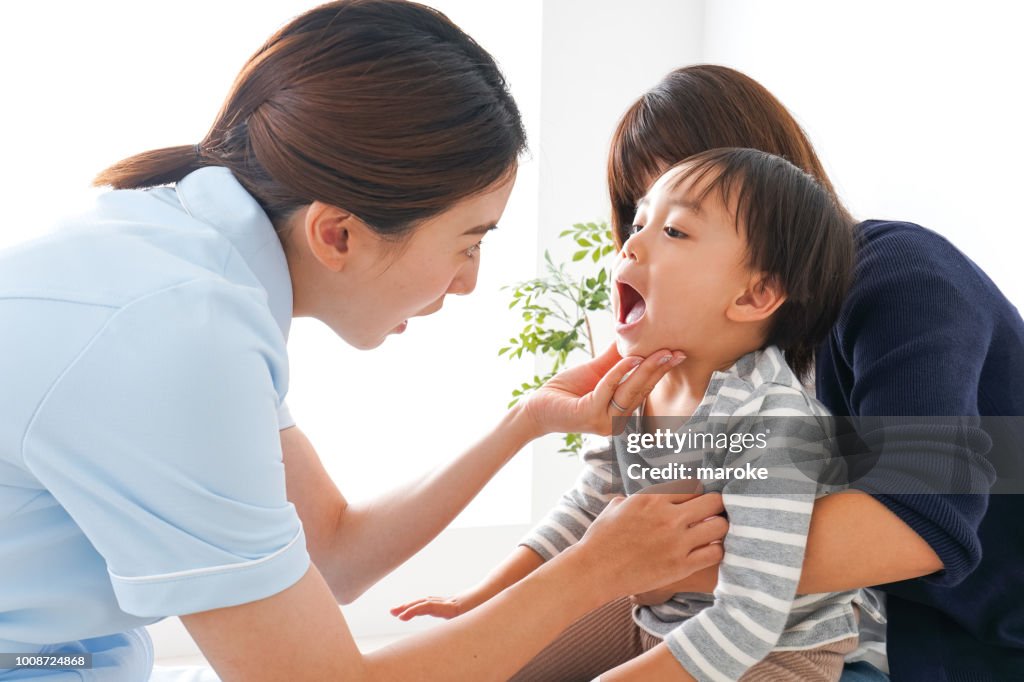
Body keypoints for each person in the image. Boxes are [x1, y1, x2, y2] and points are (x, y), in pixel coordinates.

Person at [0, 5, 731, 680]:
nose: (469, 281)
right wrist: (591, 572)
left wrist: (528, 423)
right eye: (468, 242)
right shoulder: (178, 336)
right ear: (337, 233)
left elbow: (333, 553)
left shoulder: (185, 264)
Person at [598, 65, 1023, 681]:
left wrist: (640, 567)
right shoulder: (728, 350)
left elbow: (919, 520)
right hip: (833, 625)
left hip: (962, 635)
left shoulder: (900, 276)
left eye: (681, 222)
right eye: (641, 219)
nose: (649, 247)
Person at [396, 147, 865, 681]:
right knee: (489, 661)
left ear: (756, 295)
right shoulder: (640, 383)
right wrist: (477, 601)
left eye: (675, 233)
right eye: (639, 222)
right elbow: (587, 508)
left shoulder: (773, 422)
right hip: (654, 614)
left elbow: (752, 613)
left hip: (776, 651)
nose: (631, 243)